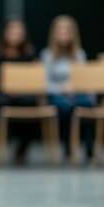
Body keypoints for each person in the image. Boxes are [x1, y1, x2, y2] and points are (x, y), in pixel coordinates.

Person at [40, 15, 94, 159]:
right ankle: (68, 147)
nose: (64, 33)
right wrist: (61, 88)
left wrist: (76, 87)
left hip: (77, 94)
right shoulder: (47, 55)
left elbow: (84, 79)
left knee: (87, 104)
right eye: (61, 30)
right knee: (65, 108)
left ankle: (89, 148)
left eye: (68, 30)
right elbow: (44, 83)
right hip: (56, 95)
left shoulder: (79, 54)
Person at [0, 19, 35, 164]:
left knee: (30, 103)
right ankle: (0, 145)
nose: (16, 35)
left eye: (19, 32)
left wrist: (21, 90)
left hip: (24, 94)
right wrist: (6, 90)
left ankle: (23, 145)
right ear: (5, 33)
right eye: (12, 31)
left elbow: (32, 79)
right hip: (3, 94)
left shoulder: (29, 54)